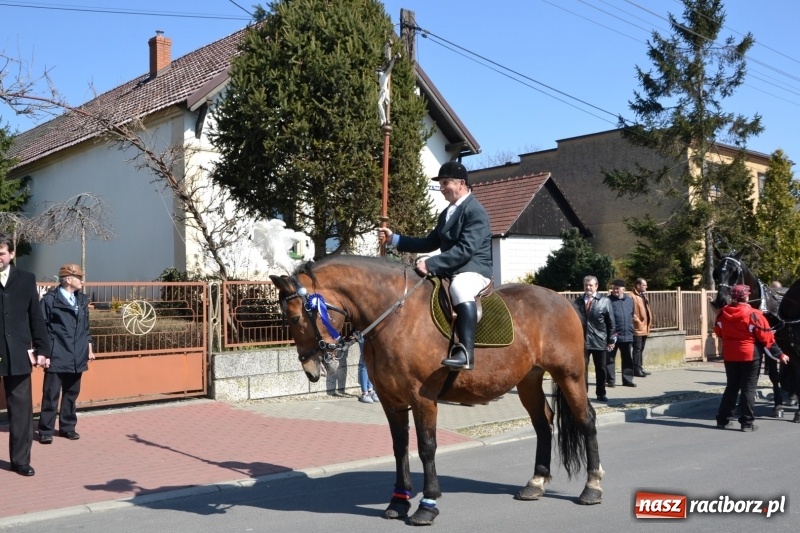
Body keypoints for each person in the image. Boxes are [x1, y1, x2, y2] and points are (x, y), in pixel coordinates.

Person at [377, 161, 492, 370]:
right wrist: (394, 239)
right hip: (453, 269)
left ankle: (466, 353)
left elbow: (466, 249)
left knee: (459, 288)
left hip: (474, 270)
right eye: (440, 183)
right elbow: (429, 242)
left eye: (445, 183)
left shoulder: (475, 211)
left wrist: (431, 263)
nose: (441, 188)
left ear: (461, 184)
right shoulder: (448, 212)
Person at [0, 233, 51, 476]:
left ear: (10, 254)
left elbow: (35, 317)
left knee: (20, 411)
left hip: (18, 354)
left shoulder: (26, 279)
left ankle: (20, 460)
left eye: (1, 253)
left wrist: (43, 349)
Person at [715, 284, 790, 432]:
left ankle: (723, 420)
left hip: (730, 355)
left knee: (731, 387)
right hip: (750, 355)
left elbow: (718, 331)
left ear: (732, 297)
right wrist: (780, 355)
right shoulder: (754, 314)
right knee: (748, 388)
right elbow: (767, 338)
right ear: (747, 296)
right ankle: (746, 423)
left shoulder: (722, 314)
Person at [37, 263, 94, 443]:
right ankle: (46, 430)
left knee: (71, 394)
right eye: (79, 278)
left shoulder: (82, 300)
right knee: (51, 394)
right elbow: (40, 329)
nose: (82, 282)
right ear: (69, 279)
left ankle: (67, 427)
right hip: (57, 354)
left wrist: (89, 348)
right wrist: (44, 354)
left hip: (77, 355)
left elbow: (86, 328)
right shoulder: (49, 300)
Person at [574, 275, 616, 402]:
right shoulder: (578, 301)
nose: (588, 287)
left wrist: (611, 340)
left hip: (600, 340)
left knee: (601, 369)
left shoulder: (605, 301)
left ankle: (601, 393)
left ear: (596, 286)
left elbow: (611, 323)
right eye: (586, 285)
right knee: (582, 370)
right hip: (582, 342)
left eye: (591, 285)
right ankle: (583, 394)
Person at [607, 279, 636, 387]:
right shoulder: (608, 300)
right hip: (612, 335)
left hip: (627, 334)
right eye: (613, 288)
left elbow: (631, 315)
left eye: (617, 288)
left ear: (623, 289)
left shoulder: (629, 301)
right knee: (609, 359)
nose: (615, 290)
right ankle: (610, 380)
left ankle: (627, 380)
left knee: (627, 358)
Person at [631, 277, 653, 377]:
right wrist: (638, 321)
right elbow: (631, 312)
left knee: (641, 349)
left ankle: (640, 367)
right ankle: (636, 369)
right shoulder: (632, 296)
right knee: (637, 349)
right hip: (637, 328)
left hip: (645, 327)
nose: (646, 287)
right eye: (644, 285)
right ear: (638, 285)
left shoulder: (643, 296)